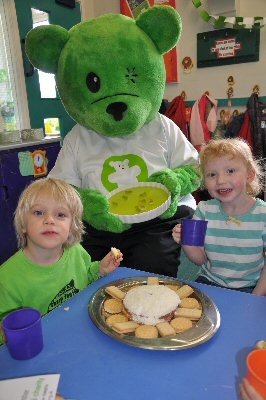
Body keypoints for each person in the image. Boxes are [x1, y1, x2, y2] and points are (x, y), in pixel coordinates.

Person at [0, 178, 123, 344]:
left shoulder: (76, 251)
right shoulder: (7, 278)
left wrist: (100, 270)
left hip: (81, 333)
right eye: (38, 212)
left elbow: (85, 276)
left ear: (72, 226)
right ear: (23, 223)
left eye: (60, 215)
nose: (50, 220)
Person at [172, 138, 266, 294]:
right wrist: (186, 241)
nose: (221, 180)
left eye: (230, 171)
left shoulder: (262, 215)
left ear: (249, 175)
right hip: (209, 281)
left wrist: (255, 297)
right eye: (212, 174)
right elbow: (200, 259)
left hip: (251, 287)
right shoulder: (204, 210)